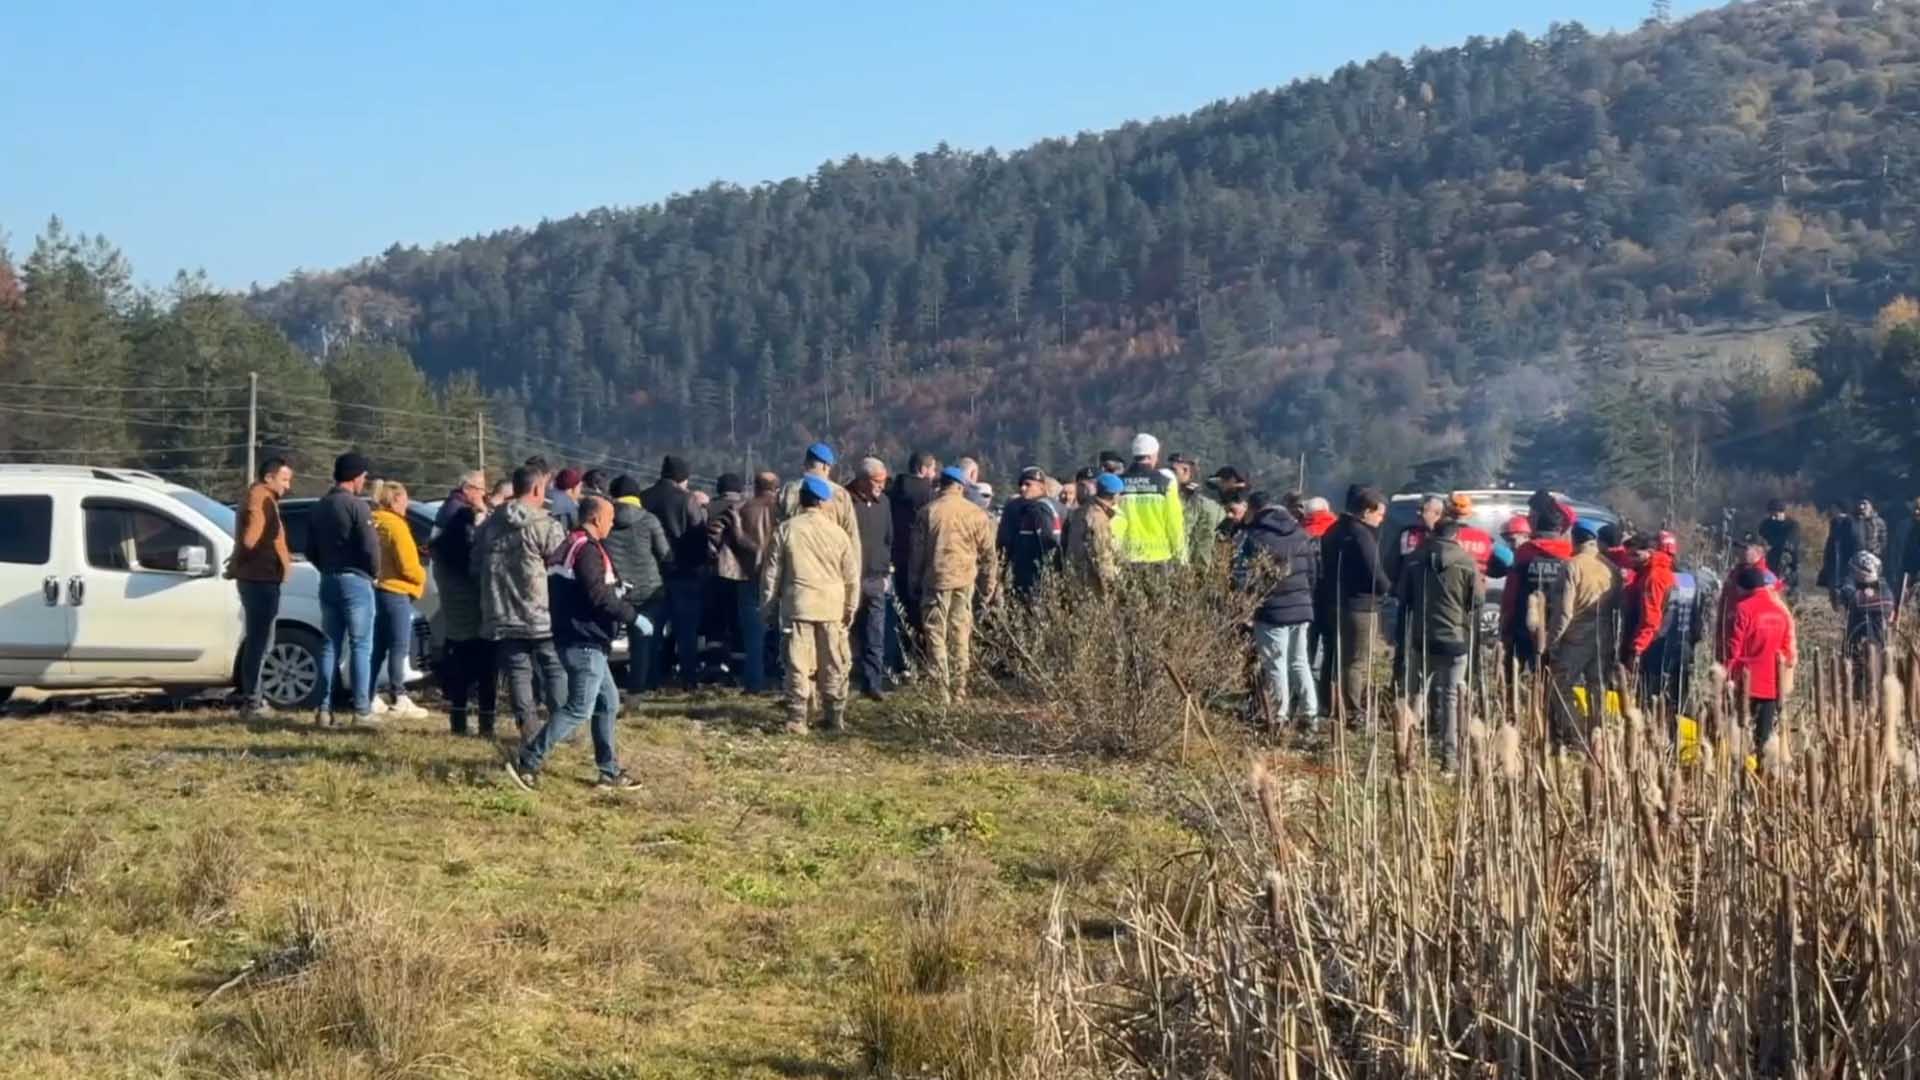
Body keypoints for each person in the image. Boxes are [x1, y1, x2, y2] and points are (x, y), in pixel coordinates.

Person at [506, 496, 643, 793]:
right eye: (608, 518)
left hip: (576, 636)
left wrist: (614, 589)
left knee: (608, 702)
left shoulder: (568, 545)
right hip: (584, 640)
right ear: (595, 519)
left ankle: (609, 770)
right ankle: (528, 760)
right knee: (579, 708)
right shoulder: (587, 551)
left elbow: (579, 590)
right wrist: (632, 616)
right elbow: (597, 595)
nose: (611, 523)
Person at [475, 465, 569, 736]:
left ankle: (527, 729)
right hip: (541, 612)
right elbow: (563, 566)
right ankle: (561, 728)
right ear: (537, 489)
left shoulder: (490, 524)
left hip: (501, 612)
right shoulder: (545, 525)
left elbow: (475, 564)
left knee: (518, 671)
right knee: (553, 667)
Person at [763, 476, 860, 733]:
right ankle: (834, 715)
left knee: (797, 662)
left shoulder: (786, 529)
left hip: (799, 605)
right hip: (831, 606)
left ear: (801, 499)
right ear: (823, 502)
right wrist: (850, 608)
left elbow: (771, 574)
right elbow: (851, 576)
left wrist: (769, 606)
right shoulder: (838, 534)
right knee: (833, 661)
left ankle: (797, 717)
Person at [1395, 516, 1482, 767]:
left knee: (1417, 693)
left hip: (1422, 638)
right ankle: (1450, 756)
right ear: (1457, 536)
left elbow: (1403, 597)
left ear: (1434, 533)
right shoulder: (1467, 563)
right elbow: (1476, 601)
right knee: (1451, 697)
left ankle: (1410, 751)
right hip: (1455, 639)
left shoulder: (1414, 559)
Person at [911, 466, 998, 703]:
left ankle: (940, 689)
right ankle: (960, 687)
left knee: (935, 633)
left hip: (935, 580)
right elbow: (989, 555)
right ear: (961, 486)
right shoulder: (977, 514)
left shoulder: (927, 512)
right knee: (960, 632)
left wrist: (914, 580)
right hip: (964, 579)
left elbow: (917, 554)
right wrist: (988, 585)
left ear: (942, 484)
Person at [307, 452, 381, 726]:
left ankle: (324, 709)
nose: (364, 481)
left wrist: (326, 566)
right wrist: (373, 573)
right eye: (363, 476)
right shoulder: (357, 507)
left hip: (328, 579)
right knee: (361, 645)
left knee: (329, 645)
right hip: (356, 580)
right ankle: (361, 710)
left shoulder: (319, 506)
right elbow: (370, 546)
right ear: (355, 476)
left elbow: (310, 549)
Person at [1238, 491, 1322, 731]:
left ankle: (1279, 716)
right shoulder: (1300, 533)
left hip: (1272, 609)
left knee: (1275, 663)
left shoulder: (1255, 536)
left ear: (1254, 510)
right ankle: (1310, 713)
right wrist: (1306, 598)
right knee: (1299, 661)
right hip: (1301, 606)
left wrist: (1247, 603)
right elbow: (1312, 572)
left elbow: (1244, 574)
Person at [1318, 486, 1392, 725]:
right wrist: (1386, 588)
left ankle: (1328, 703)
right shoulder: (1361, 534)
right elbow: (1374, 572)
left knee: (1333, 654)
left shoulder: (1333, 530)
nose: (1381, 520)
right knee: (1356, 660)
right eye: (1380, 514)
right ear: (1366, 511)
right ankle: (1352, 710)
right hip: (1360, 605)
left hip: (1333, 600)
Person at [228, 456, 293, 721]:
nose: (288, 486)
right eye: (285, 480)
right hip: (260, 579)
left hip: (262, 578)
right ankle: (253, 701)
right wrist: (243, 563)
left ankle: (254, 699)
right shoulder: (260, 498)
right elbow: (250, 539)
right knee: (259, 642)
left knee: (262, 640)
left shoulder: (264, 497)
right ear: (269, 478)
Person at [1547, 523, 1622, 751]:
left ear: (1575, 540)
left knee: (1559, 686)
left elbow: (1565, 611)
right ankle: (1599, 737)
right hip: (1606, 635)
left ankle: (1577, 733)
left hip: (1576, 636)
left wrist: (1553, 641)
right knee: (1597, 688)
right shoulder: (1612, 569)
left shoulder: (1572, 566)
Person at [432, 470, 495, 736]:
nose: (484, 495)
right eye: (481, 490)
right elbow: (473, 564)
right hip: (471, 606)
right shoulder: (461, 518)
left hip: (454, 605)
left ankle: (458, 720)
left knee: (458, 661)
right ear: (468, 489)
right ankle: (485, 722)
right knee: (484, 665)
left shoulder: (445, 523)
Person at [643, 455, 707, 690]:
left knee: (652, 631)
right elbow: (699, 537)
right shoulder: (687, 500)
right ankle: (688, 679)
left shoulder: (644, 497)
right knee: (686, 631)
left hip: (652, 573)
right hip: (685, 573)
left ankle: (649, 678)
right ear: (683, 477)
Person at [709, 472, 775, 693]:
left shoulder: (741, 508)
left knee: (752, 634)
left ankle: (754, 682)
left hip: (748, 575)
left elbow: (714, 533)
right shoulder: (784, 511)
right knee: (782, 631)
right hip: (778, 575)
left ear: (755, 486)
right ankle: (778, 677)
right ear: (776, 487)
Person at [370, 481, 429, 720]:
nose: (407, 504)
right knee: (399, 646)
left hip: (378, 588)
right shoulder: (397, 526)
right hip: (397, 590)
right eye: (405, 498)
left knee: (378, 646)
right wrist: (421, 575)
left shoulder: (374, 522)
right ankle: (399, 695)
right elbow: (407, 566)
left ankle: (369, 693)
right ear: (395, 500)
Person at [1725, 564, 1797, 751]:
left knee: (1740, 732)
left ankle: (1742, 770)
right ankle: (1762, 768)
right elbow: (1788, 651)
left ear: (1743, 587)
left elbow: (1735, 647)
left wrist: (1729, 675)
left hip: (1747, 681)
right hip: (1772, 683)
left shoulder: (1743, 609)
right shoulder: (1781, 611)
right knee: (1763, 735)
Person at [1499, 494, 1574, 672]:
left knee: (1516, 671)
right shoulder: (1570, 554)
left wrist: (1506, 623)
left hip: (1523, 623)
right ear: (1560, 528)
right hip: (1558, 627)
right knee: (1549, 675)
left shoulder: (1525, 552)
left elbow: (1511, 592)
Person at [848, 459, 895, 699]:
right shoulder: (845, 501)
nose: (882, 486)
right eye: (878, 482)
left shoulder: (884, 503)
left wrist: (886, 570)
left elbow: (888, 537)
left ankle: (872, 683)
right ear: (863, 480)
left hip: (876, 576)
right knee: (845, 631)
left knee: (875, 632)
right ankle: (840, 682)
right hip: (850, 577)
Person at [889, 453, 940, 648]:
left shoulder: (893, 491)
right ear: (923, 469)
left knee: (902, 607)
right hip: (921, 556)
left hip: (898, 555)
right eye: (933, 469)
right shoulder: (928, 494)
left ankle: (903, 652)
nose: (934, 474)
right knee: (922, 609)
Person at [1114, 434, 1186, 567]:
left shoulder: (1118, 483)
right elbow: (1174, 522)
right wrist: (1181, 556)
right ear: (1152, 455)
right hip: (1159, 557)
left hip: (1128, 557)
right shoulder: (1166, 483)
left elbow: (1115, 522)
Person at [998, 466, 1061, 598]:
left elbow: (1050, 541)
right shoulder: (1018, 507)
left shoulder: (1040, 509)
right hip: (1024, 572)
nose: (1022, 488)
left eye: (1028, 485)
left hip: (1035, 573)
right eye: (1021, 485)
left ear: (1042, 487)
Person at [1839, 552, 1895, 701]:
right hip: (1855, 648)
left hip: (1875, 650)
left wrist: (1850, 587)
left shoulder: (1883, 591)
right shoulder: (1860, 589)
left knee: (1872, 692)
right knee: (1853, 692)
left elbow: (1857, 601)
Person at [1619, 533, 1676, 677]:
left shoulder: (1654, 577)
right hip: (1654, 640)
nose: (1631, 560)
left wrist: (1637, 649)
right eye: (1629, 555)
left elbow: (1651, 620)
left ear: (1649, 552)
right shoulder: (1648, 571)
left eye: (1635, 555)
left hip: (1649, 644)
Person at [1821, 495, 1888, 608]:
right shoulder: (1851, 522)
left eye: (1864, 504)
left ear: (1871, 506)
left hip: (1873, 565)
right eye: (1859, 504)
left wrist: (1873, 556)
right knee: (1852, 595)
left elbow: (1883, 542)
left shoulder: (1878, 523)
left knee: (1871, 595)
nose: (1861, 507)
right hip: (1854, 565)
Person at [1066, 472, 1125, 589]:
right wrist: (1110, 582)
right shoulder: (1099, 518)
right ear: (1114, 495)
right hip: (1092, 582)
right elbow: (1101, 552)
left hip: (1075, 576)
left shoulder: (1081, 510)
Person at [1169, 454, 1226, 570]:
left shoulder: (1192, 503)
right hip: (1202, 570)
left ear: (1186, 471)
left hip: (1187, 569)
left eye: (1173, 470)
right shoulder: (1214, 505)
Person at [1758, 500, 1802, 595]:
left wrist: (1779, 547)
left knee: (1788, 590)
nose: (1773, 517)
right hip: (1770, 562)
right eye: (1771, 514)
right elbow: (1760, 538)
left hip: (1788, 563)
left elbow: (1791, 543)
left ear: (1782, 512)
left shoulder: (1792, 525)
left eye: (1775, 514)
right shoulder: (1767, 524)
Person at [1444, 493, 1494, 573]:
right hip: (1477, 582)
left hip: (1451, 582)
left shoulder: (1443, 536)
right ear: (1469, 515)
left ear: (1448, 514)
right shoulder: (1484, 537)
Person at [1894, 497, 1920, 609]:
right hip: (1907, 569)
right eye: (1915, 508)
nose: (1916, 512)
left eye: (1919, 509)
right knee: (1904, 599)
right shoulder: (1905, 526)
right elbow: (1898, 547)